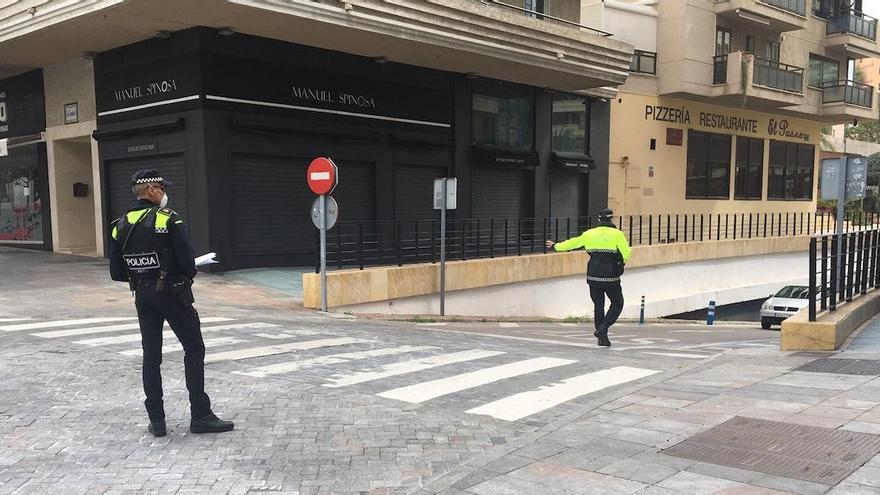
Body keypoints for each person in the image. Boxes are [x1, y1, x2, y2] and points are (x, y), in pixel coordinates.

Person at [109, 169, 234, 437]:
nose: (165, 194)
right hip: (171, 294)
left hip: (142, 296)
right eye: (162, 189)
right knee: (194, 348)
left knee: (151, 356)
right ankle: (200, 415)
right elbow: (188, 264)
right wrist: (182, 272)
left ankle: (157, 420)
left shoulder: (120, 225)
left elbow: (117, 273)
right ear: (153, 190)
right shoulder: (169, 219)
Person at [546, 208, 632, 347]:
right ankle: (603, 329)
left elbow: (573, 243)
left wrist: (556, 246)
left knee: (598, 305)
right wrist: (621, 262)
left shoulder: (589, 234)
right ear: (611, 219)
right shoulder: (618, 234)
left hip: (593, 275)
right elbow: (626, 252)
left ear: (599, 219)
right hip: (611, 275)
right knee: (617, 303)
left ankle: (602, 337)